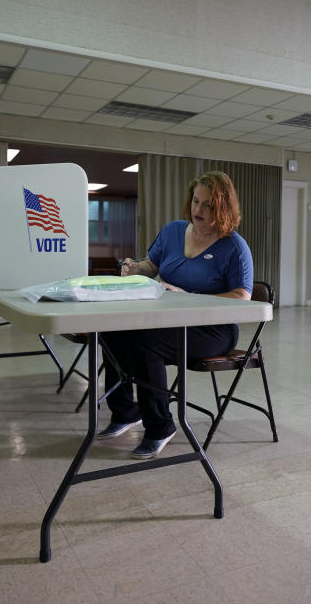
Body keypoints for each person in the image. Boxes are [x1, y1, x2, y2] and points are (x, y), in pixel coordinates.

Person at [97, 170, 253, 459]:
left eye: (208, 204)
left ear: (223, 207)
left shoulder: (234, 247)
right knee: (112, 332)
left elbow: (242, 298)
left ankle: (160, 427)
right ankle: (126, 412)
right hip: (169, 319)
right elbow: (151, 265)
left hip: (213, 330)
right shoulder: (172, 231)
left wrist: (191, 298)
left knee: (146, 343)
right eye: (196, 201)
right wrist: (135, 267)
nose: (198, 210)